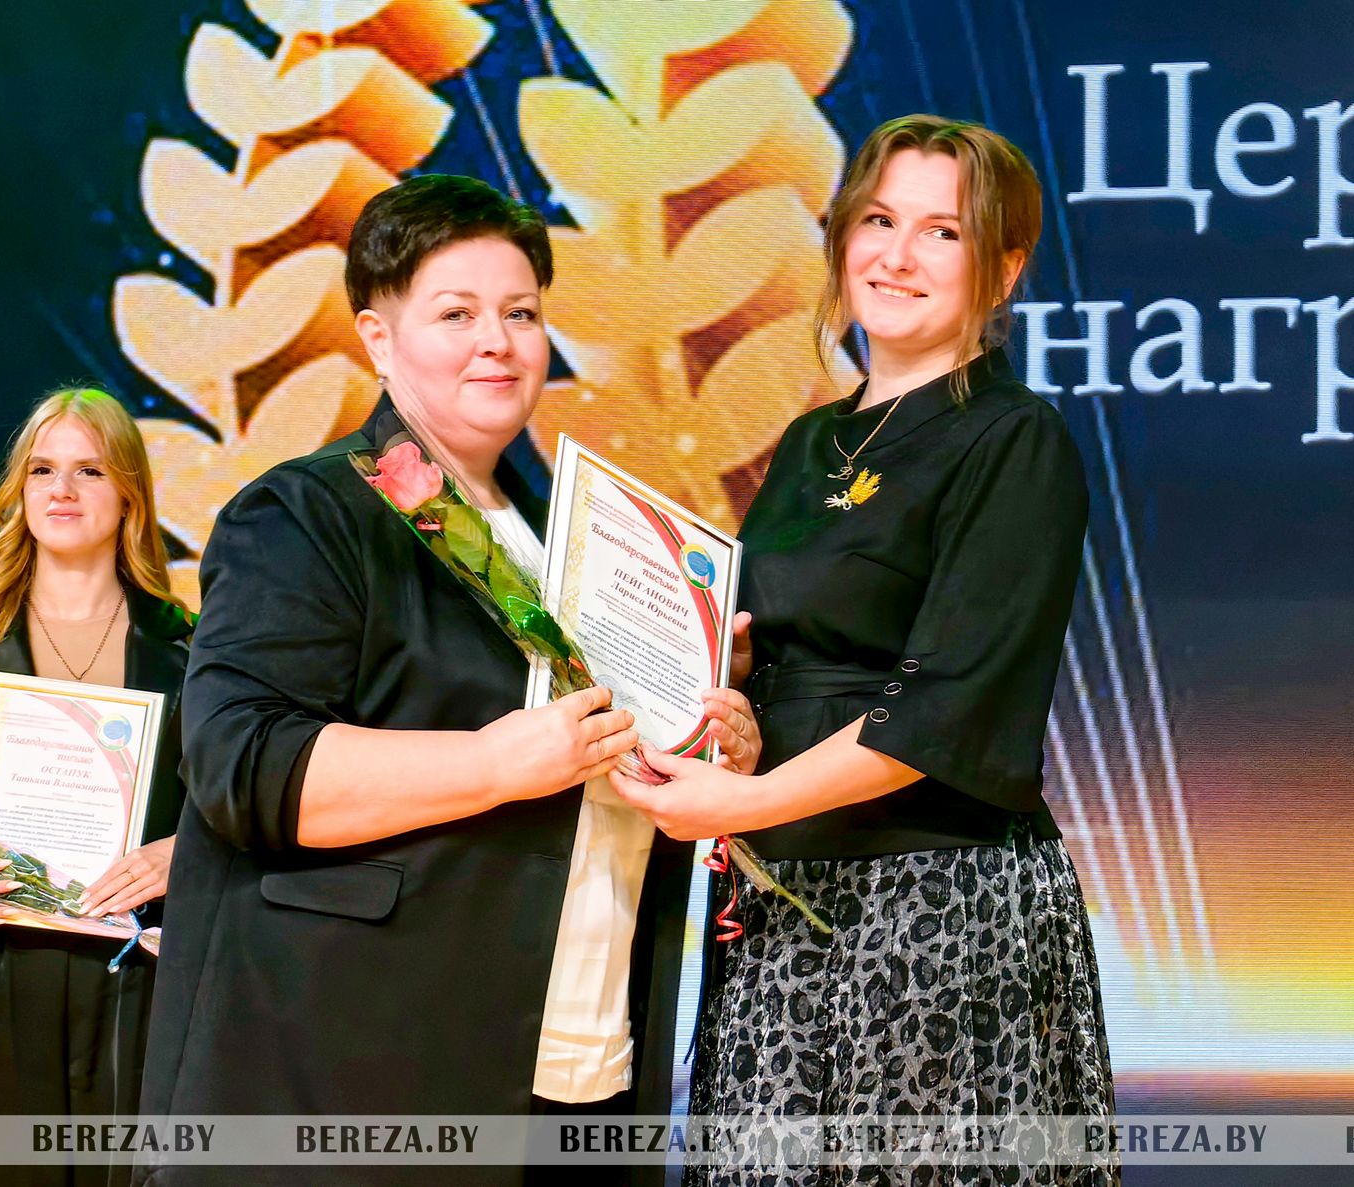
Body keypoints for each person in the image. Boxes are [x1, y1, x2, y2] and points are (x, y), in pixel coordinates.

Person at [137, 174, 761, 1187]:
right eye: (456, 314)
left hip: (581, 1066)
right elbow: (240, 765)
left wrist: (703, 723)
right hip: (371, 1078)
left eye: (521, 314)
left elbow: (613, 771)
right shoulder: (306, 514)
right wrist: (489, 762)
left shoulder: (582, 546)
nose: (497, 342)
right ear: (378, 339)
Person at [612, 116, 1117, 1186]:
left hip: (936, 908)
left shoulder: (1013, 438)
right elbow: (797, 665)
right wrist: (731, 701)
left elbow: (945, 707)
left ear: (1003, 269)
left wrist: (743, 801)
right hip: (785, 896)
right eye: (879, 221)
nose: (897, 255)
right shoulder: (812, 441)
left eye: (943, 231)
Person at [0, 388, 194, 1185]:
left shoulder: (191, 646)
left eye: (89, 470)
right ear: (18, 491)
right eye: (42, 469)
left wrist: (181, 853)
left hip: (139, 977)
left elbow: (225, 811)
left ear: (129, 493)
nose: (62, 489)